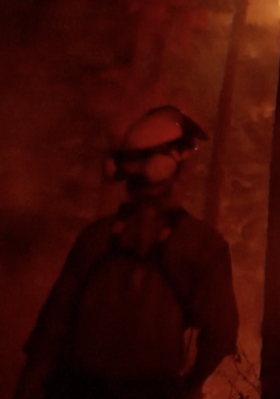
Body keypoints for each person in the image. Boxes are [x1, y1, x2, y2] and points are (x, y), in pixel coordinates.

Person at [14, 105, 239, 399]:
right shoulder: (202, 245)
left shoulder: (95, 238)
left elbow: (49, 334)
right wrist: (192, 384)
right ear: (173, 170)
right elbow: (220, 334)